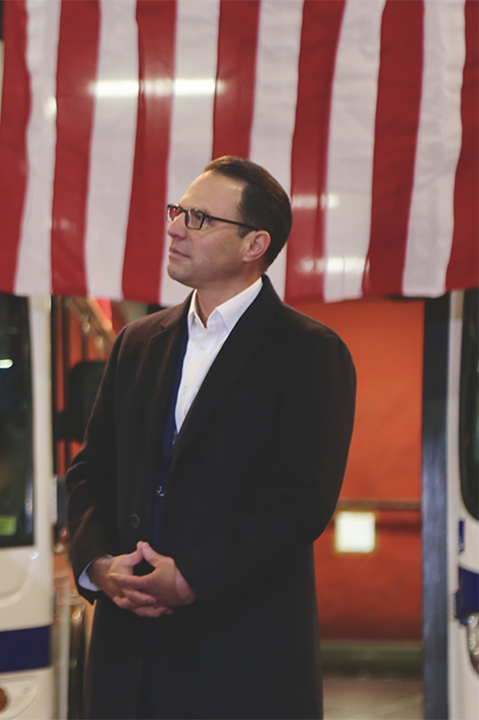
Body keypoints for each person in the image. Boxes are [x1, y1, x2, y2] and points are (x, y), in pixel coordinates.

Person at [66, 156, 357, 719]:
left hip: (242, 660)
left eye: (198, 218)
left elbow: (300, 502)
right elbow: (93, 470)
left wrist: (193, 576)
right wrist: (99, 564)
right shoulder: (136, 342)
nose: (174, 226)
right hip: (127, 665)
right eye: (178, 211)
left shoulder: (309, 352)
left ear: (254, 245)